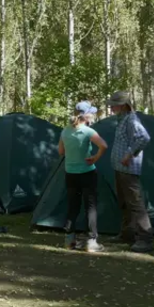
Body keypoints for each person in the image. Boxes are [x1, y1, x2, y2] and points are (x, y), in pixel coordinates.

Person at [58, 101, 108, 253]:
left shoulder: (65, 131)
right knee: (90, 207)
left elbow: (61, 152)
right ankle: (91, 243)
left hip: (70, 174)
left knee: (73, 205)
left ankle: (69, 241)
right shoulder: (88, 131)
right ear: (85, 115)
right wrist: (95, 158)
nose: (92, 115)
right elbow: (104, 145)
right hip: (87, 173)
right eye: (91, 113)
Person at [107, 90, 153, 253]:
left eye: (114, 105)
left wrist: (129, 154)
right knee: (124, 202)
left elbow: (144, 138)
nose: (111, 108)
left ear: (122, 105)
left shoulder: (131, 119)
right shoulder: (122, 119)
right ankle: (127, 234)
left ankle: (145, 239)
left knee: (135, 203)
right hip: (119, 168)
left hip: (128, 169)